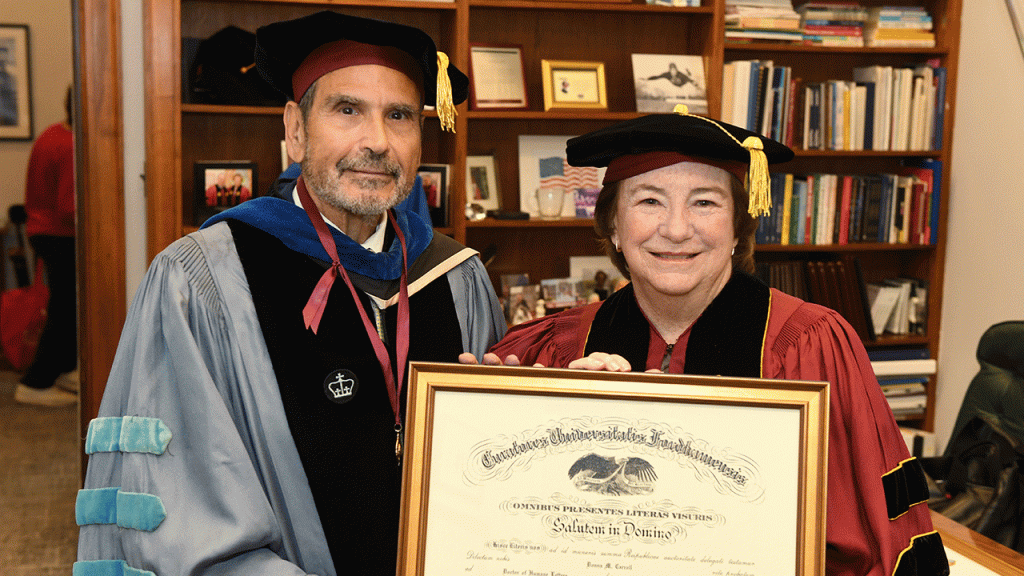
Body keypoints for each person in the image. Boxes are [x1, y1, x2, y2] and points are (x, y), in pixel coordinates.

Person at [76, 11, 506, 576]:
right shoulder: (202, 281)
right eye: (347, 110)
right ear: (295, 130)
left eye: (399, 116)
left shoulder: (456, 278)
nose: (376, 142)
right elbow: (178, 514)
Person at [462, 108, 949, 576]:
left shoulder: (811, 345)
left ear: (739, 225)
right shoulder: (553, 349)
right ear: (612, 224)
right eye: (649, 200)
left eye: (705, 202)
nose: (675, 229)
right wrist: (491, 417)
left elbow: (874, 541)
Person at [14, 86, 78, 407]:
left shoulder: (52, 134)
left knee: (67, 305)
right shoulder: (69, 145)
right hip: (61, 234)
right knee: (65, 309)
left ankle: (64, 369)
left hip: (44, 230)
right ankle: (36, 382)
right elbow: (71, 207)